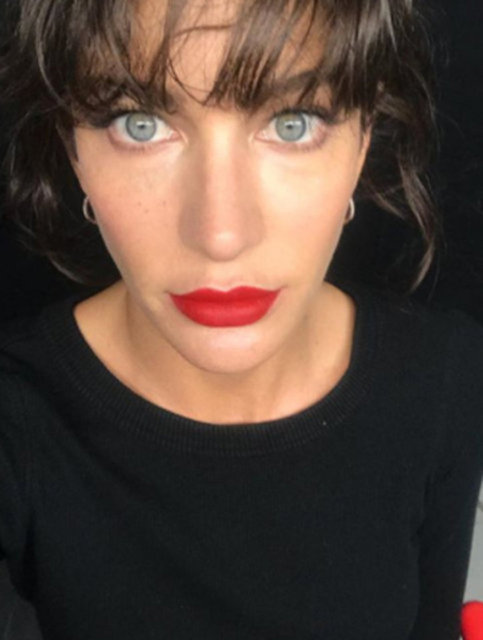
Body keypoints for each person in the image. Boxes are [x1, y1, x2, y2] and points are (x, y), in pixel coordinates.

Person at [0, 1, 482, 639]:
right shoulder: (17, 419)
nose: (221, 235)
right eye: (140, 124)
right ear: (73, 149)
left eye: (292, 121)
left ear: (363, 138)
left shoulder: (448, 378)